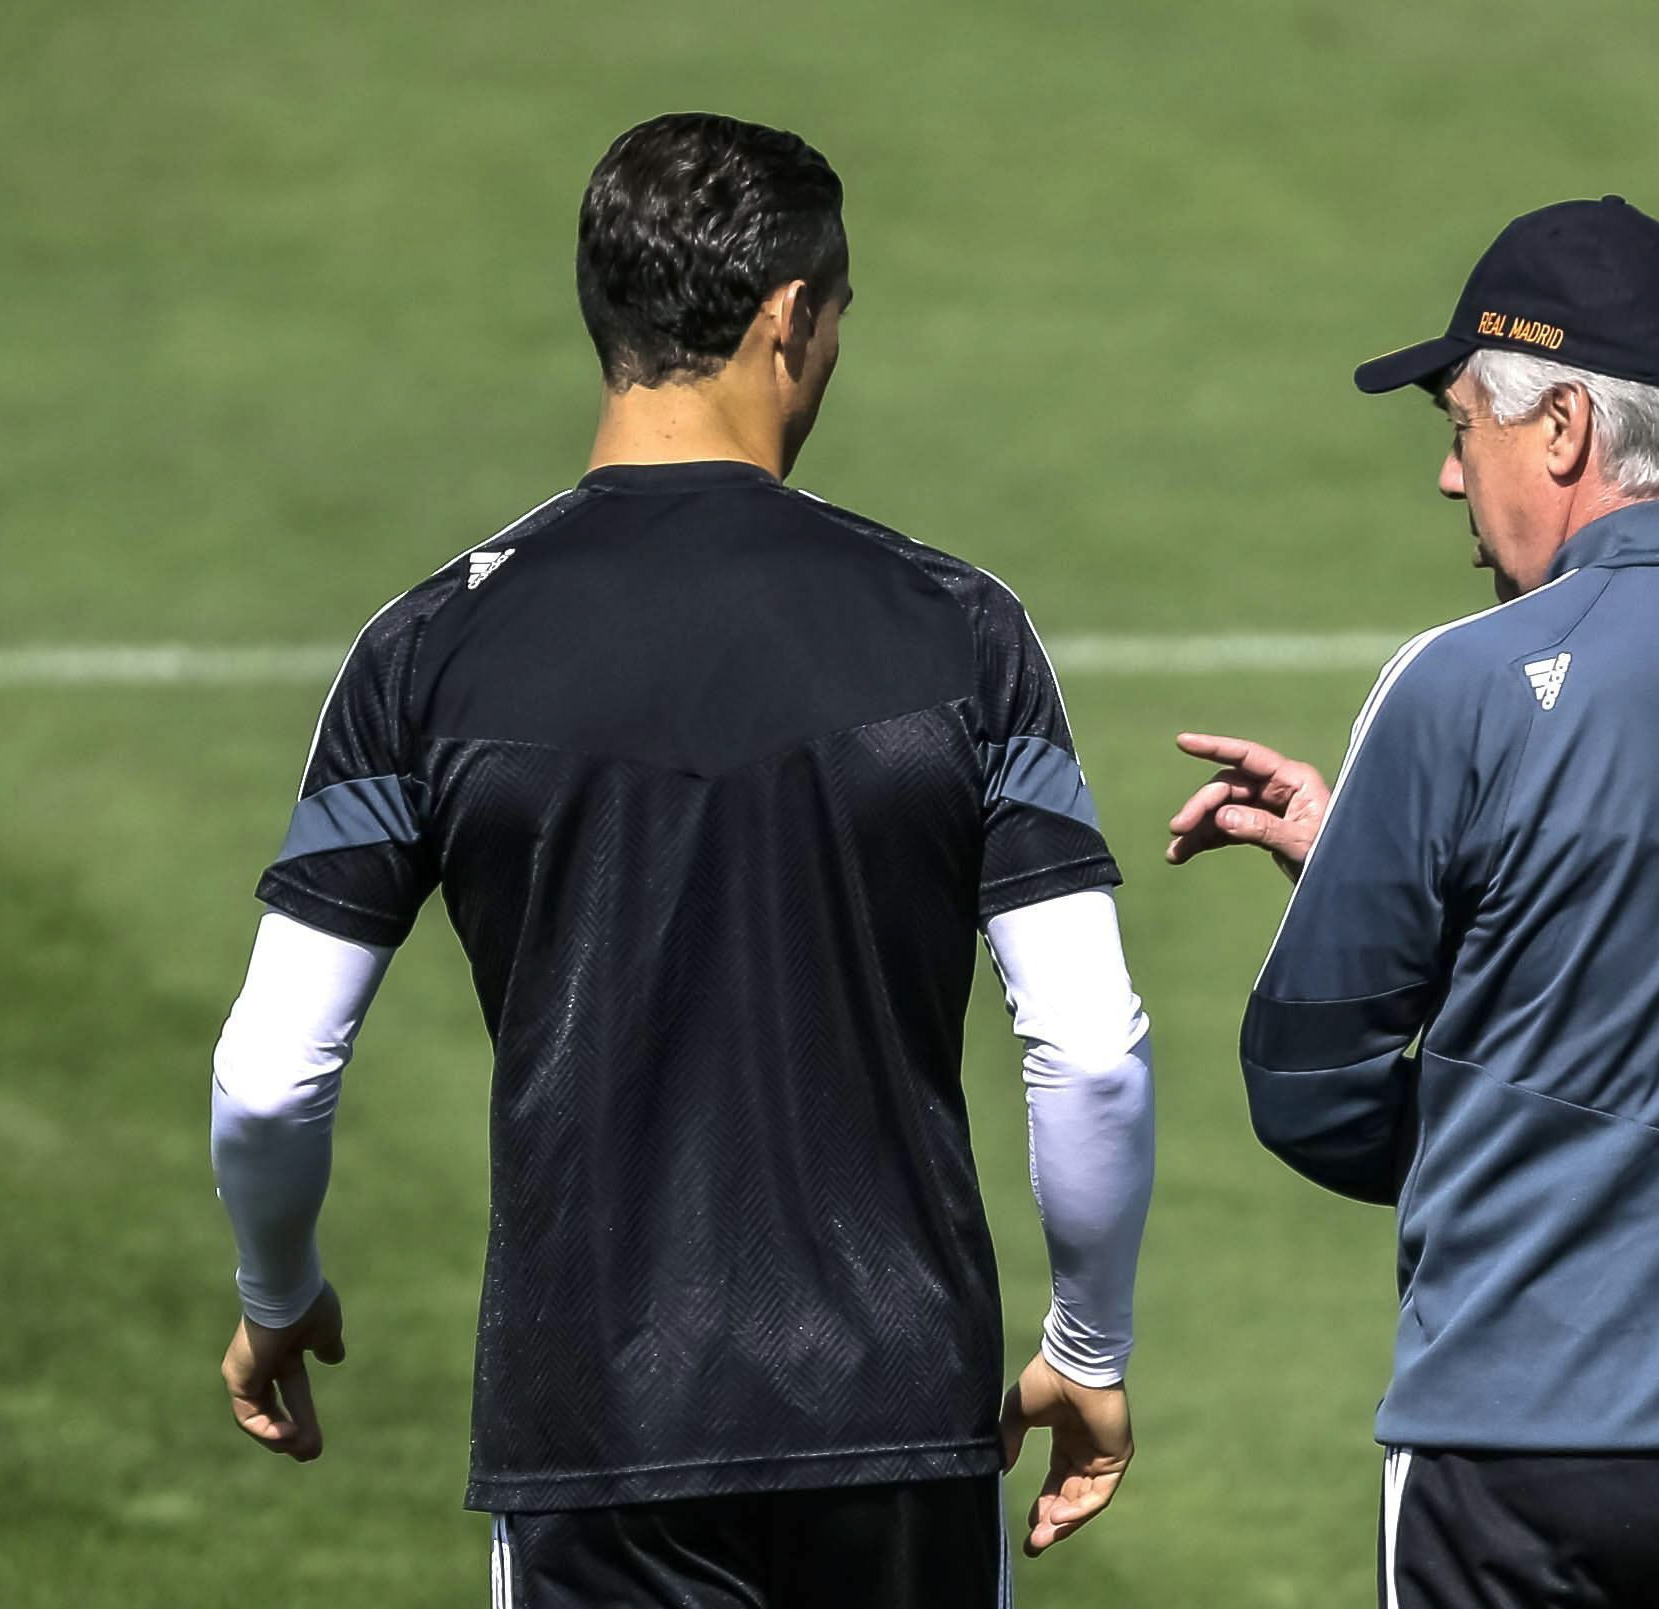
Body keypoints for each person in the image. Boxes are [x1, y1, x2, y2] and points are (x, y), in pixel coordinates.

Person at [209, 112, 1154, 1608]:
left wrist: (278, 1290)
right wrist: (1087, 1347)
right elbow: (1090, 1047)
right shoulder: (959, 629)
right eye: (838, 314)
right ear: (788, 317)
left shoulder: (427, 651)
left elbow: (269, 1074)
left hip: (597, 1429)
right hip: (897, 1421)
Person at [1166, 197, 1659, 1608]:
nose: (1446, 476)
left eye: (1459, 425)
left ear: (1561, 429)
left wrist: (1543, 1155)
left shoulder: (1463, 684)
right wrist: (1401, 865)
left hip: (1525, 1457)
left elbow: (1309, 1092)